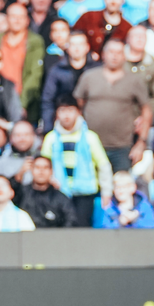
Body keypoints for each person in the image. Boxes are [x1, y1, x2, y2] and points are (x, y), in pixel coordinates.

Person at [74, 39, 151, 171]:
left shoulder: (134, 80)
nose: (114, 56)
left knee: (122, 186)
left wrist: (141, 142)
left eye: (119, 52)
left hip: (122, 147)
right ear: (104, 54)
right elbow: (77, 106)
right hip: (90, 145)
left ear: (124, 56)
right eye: (111, 52)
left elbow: (146, 110)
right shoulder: (89, 77)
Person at [41, 94, 113, 226]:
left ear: (78, 112)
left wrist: (106, 192)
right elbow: (43, 164)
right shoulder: (50, 138)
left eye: (70, 110)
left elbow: (103, 165)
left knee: (82, 226)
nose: (66, 115)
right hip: (59, 191)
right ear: (57, 113)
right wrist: (51, 180)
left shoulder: (90, 137)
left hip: (85, 193)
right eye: (62, 110)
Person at [17, 156, 79, 227]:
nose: (41, 171)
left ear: (51, 171)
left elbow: (71, 220)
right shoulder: (22, 193)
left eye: (45, 168)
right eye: (37, 167)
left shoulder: (61, 198)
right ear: (31, 170)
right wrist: (19, 175)